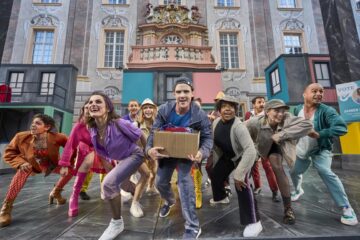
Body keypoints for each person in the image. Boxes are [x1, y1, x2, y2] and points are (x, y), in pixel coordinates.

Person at [146, 77, 212, 239]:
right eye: (179, 92)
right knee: (159, 182)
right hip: (166, 153)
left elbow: (208, 138)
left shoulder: (199, 114)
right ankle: (169, 201)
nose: (182, 95)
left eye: (186, 92)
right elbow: (154, 133)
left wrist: (201, 153)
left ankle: (192, 226)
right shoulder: (164, 110)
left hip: (186, 155)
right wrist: (149, 150)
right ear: (174, 94)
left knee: (185, 183)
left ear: (192, 94)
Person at [290, 83, 358, 226]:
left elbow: (341, 127)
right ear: (304, 94)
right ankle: (297, 190)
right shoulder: (296, 109)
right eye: (314, 91)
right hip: (302, 149)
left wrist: (319, 134)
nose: (319, 94)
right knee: (294, 171)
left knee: (324, 171)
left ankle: (346, 208)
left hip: (321, 150)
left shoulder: (327, 111)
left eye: (321, 91)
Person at [86, 91, 145, 240]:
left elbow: (140, 135)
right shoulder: (92, 129)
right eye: (91, 102)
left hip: (134, 155)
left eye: (98, 102)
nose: (93, 104)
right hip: (120, 160)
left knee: (108, 184)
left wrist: (147, 152)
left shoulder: (119, 123)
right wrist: (111, 173)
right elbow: (101, 154)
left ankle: (117, 223)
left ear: (108, 108)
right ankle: (136, 197)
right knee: (120, 185)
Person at [246, 99, 313, 224]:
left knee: (277, 167)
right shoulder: (254, 122)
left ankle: (288, 208)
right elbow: (240, 130)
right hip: (258, 146)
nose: (280, 114)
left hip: (276, 144)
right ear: (267, 112)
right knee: (244, 169)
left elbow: (308, 125)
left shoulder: (287, 118)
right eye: (276, 110)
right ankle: (245, 203)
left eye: (282, 111)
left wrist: (282, 135)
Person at [0, 114, 73, 227]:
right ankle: (6, 208)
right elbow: (9, 153)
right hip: (32, 165)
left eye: (38, 123)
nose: (33, 125)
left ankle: (56, 192)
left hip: (52, 165)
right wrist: (21, 163)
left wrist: (66, 164)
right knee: (23, 171)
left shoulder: (58, 137)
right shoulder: (21, 136)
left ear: (47, 127)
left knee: (71, 169)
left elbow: (71, 148)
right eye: (32, 123)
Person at [210, 95, 262, 237]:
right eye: (224, 106)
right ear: (219, 109)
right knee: (215, 174)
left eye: (231, 106)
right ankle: (222, 197)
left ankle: (255, 222)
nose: (227, 109)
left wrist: (239, 173)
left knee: (241, 184)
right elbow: (215, 143)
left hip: (242, 157)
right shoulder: (216, 123)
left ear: (235, 109)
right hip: (228, 156)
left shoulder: (239, 127)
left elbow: (250, 150)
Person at [59, 100, 109, 217]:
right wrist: (64, 164)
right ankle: (74, 195)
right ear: (83, 110)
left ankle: (111, 190)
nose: (88, 109)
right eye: (86, 108)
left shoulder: (100, 123)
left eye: (91, 107)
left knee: (110, 162)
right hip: (85, 148)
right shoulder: (78, 126)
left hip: (100, 149)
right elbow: (70, 145)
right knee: (88, 160)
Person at [245, 96, 280, 202]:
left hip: (266, 144)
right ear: (254, 104)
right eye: (259, 102)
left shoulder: (267, 114)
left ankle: (275, 191)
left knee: (268, 167)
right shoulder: (249, 114)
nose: (262, 104)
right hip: (253, 144)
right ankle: (258, 187)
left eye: (264, 102)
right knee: (254, 167)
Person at [137, 98, 159, 196]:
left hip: (153, 153)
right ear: (142, 111)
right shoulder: (137, 125)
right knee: (145, 173)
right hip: (141, 153)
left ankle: (151, 186)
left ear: (154, 110)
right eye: (145, 108)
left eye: (150, 107)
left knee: (154, 171)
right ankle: (136, 192)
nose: (148, 110)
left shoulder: (158, 124)